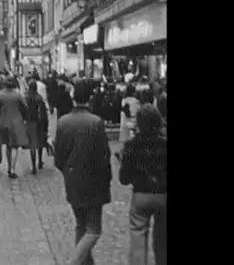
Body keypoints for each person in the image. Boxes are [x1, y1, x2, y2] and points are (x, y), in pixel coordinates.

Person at [54, 81, 112, 265]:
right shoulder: (95, 122)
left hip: (72, 179)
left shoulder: (63, 121)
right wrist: (106, 179)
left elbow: (58, 156)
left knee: (81, 224)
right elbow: (104, 155)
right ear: (89, 98)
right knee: (93, 229)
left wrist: (67, 171)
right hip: (93, 180)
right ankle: (74, 262)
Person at [118, 104, 167, 265]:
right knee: (163, 239)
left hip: (141, 194)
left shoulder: (133, 145)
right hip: (163, 194)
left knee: (138, 235)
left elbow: (123, 178)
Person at [0, 76, 29, 179]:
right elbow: (25, 106)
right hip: (16, 121)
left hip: (4, 121)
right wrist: (23, 117)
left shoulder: (0, 94)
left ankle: (9, 166)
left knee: (7, 146)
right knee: (14, 146)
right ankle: (12, 169)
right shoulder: (18, 94)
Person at [25, 80, 49, 173]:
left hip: (30, 122)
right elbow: (44, 114)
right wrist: (46, 125)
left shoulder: (26, 98)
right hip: (39, 123)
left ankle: (33, 165)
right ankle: (39, 161)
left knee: (32, 144)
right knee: (40, 143)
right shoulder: (39, 98)